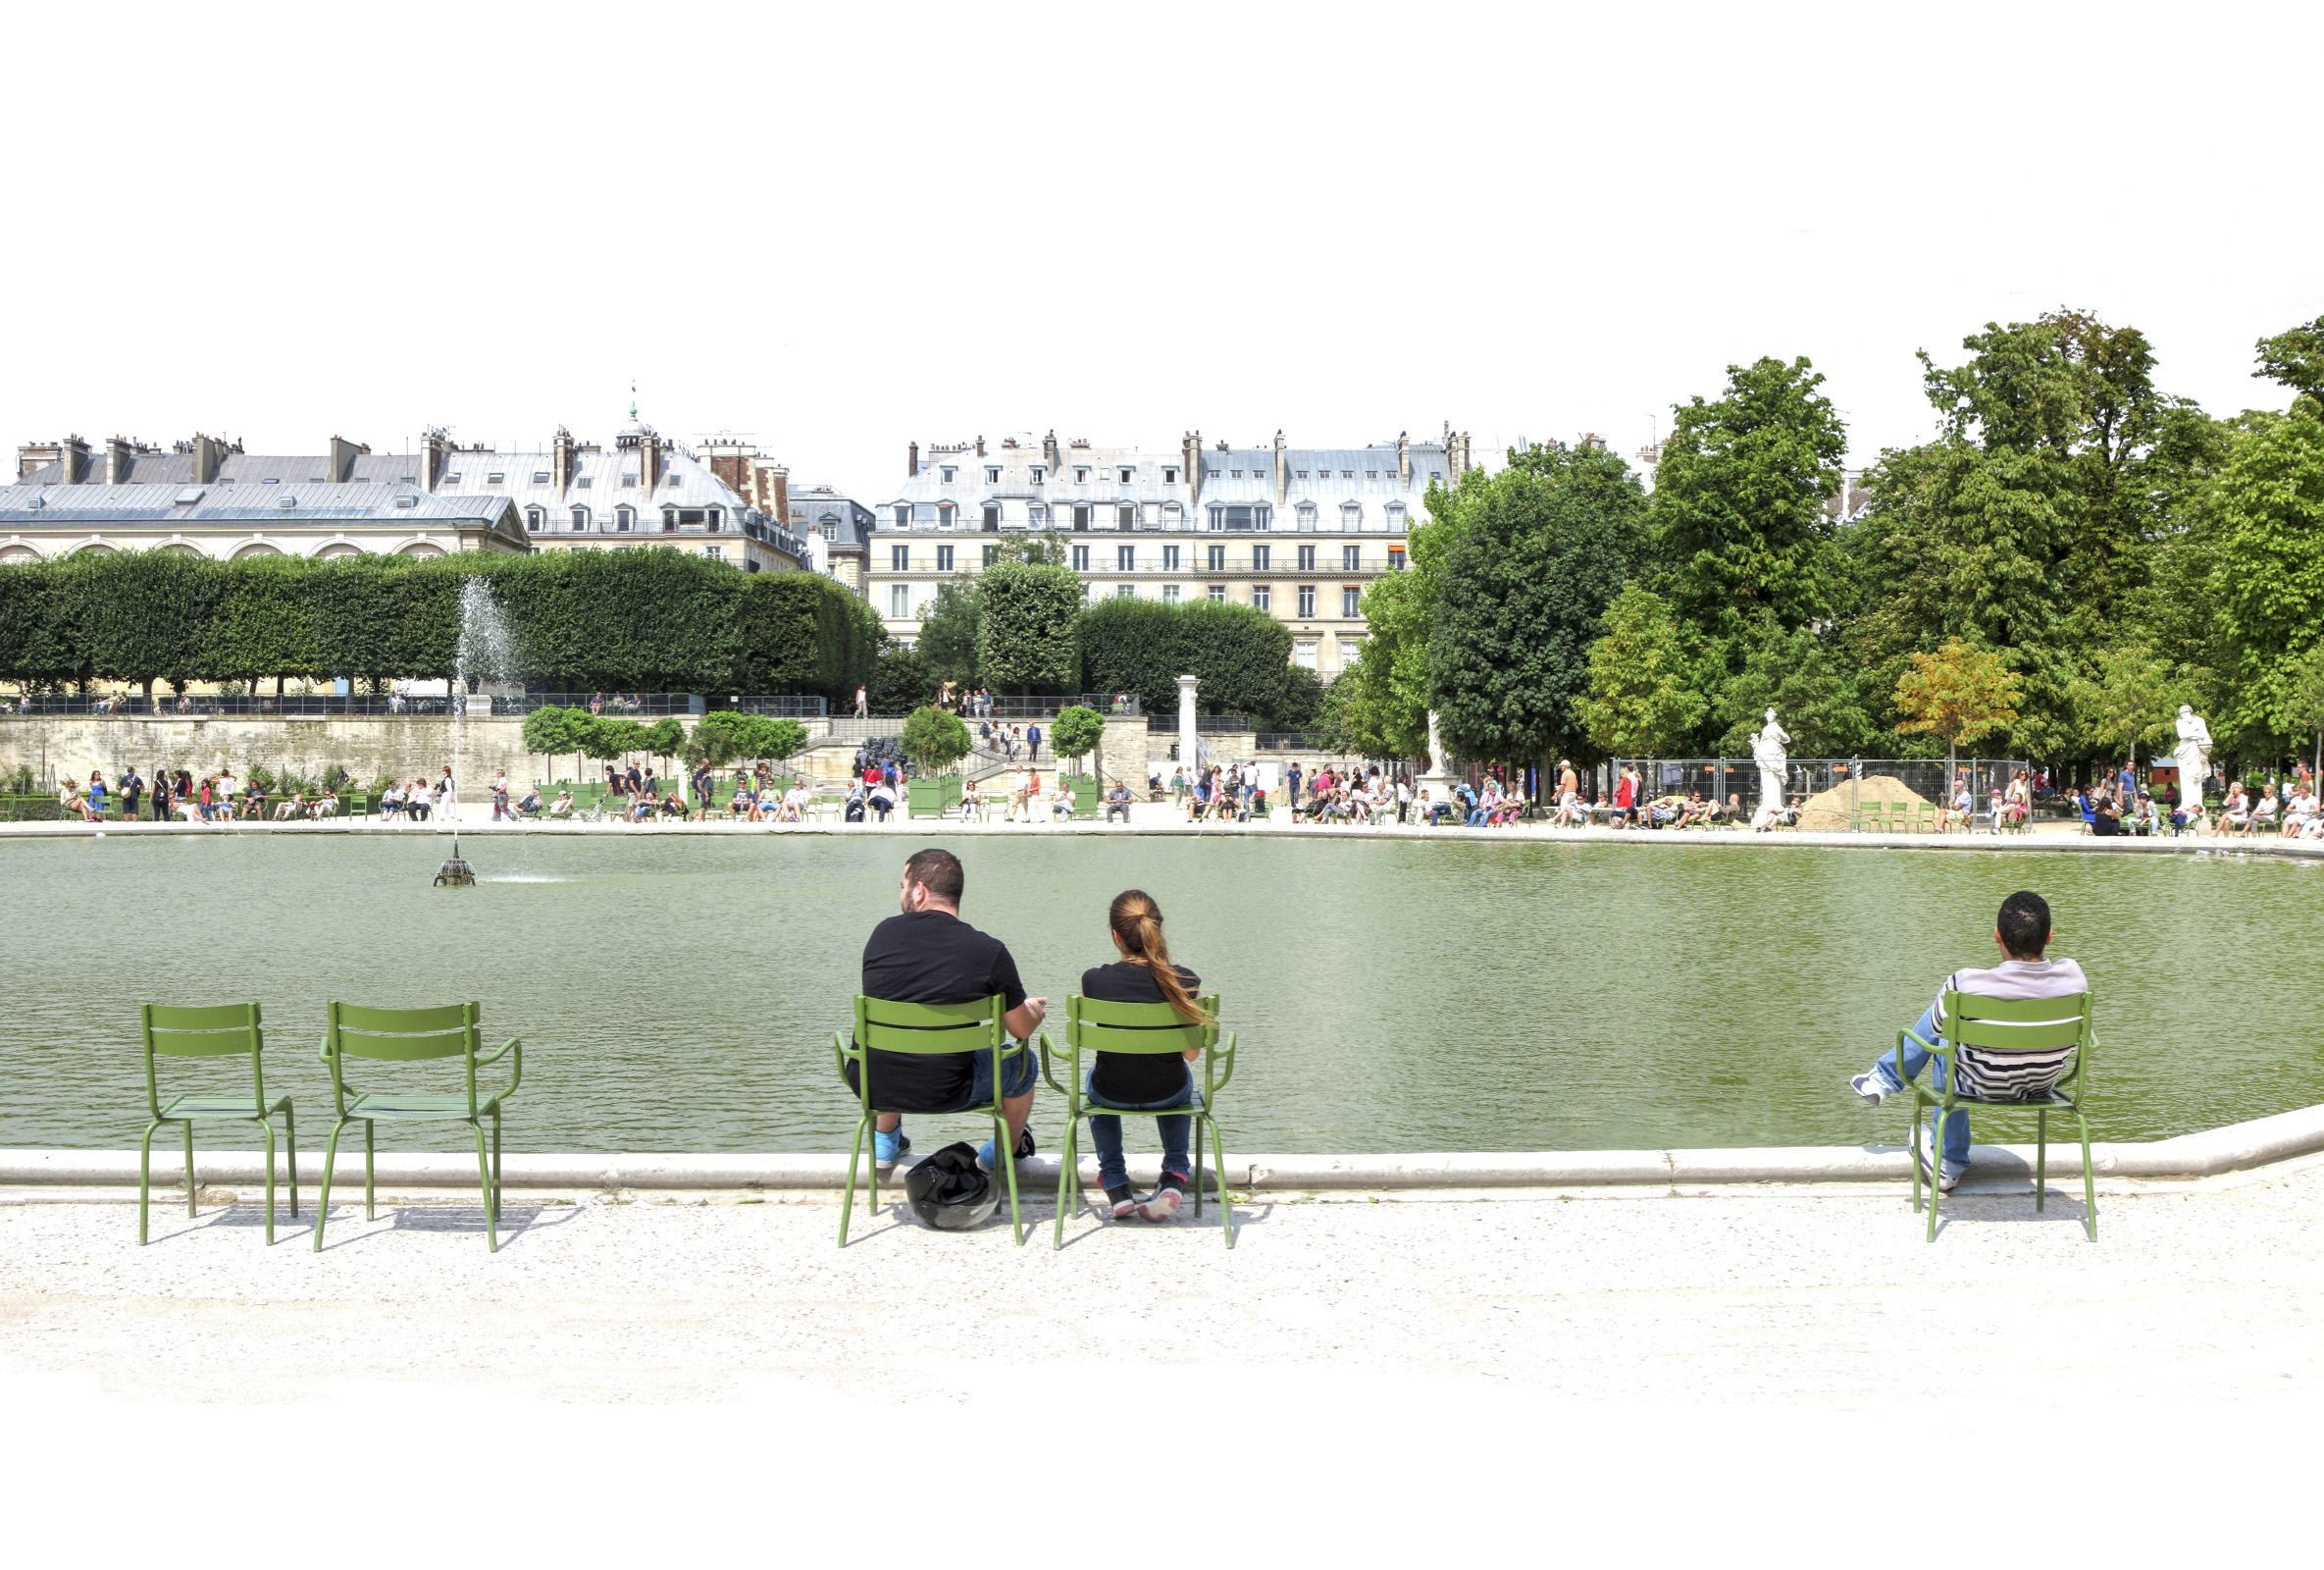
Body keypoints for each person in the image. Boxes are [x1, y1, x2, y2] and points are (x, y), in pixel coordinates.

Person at [1848, 891, 2087, 1194]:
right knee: (1952, 1025)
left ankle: (1944, 1155)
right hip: (2042, 1086)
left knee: (1946, 1041)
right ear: (2049, 936)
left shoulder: (1966, 983)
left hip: (1979, 1087)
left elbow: (1936, 1030)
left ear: (1997, 935)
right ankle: (1882, 1079)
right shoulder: (2075, 980)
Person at [852, 848, 1047, 1178]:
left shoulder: (881, 935)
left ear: (919, 891)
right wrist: (1031, 1012)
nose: (901, 894)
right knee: (1023, 1063)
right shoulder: (988, 950)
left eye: (902, 886)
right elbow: (1021, 1030)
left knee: (898, 1043)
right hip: (947, 1088)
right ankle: (1003, 1152)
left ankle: (884, 1141)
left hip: (874, 1081)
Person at [1073, 889, 1211, 1223]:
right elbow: (1192, 1054)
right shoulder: (1184, 981)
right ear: (1156, 930)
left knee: (1096, 1077)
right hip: (1168, 1093)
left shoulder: (1093, 980)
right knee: (1178, 1075)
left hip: (1110, 1093)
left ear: (1116, 936)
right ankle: (1175, 1173)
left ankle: (1115, 1182)